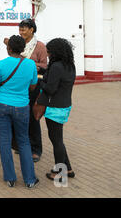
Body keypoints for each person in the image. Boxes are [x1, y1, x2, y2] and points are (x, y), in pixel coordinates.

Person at [0, 35, 40, 188]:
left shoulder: (1, 64)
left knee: (5, 140)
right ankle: (30, 179)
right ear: (23, 49)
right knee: (23, 141)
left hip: (2, 105)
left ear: (8, 48)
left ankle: (10, 178)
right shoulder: (31, 65)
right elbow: (33, 87)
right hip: (21, 106)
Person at [5, 18, 47, 162]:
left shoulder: (40, 46)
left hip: (34, 85)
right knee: (20, 116)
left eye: (24, 29)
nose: (21, 32)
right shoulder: (19, 44)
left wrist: (34, 65)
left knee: (32, 117)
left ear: (32, 30)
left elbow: (44, 65)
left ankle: (36, 149)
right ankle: (22, 145)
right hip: (21, 84)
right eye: (20, 29)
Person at [37, 38, 76, 181]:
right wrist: (42, 70)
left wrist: (39, 79)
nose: (47, 54)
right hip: (65, 105)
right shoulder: (69, 65)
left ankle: (59, 172)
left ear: (55, 52)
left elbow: (50, 88)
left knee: (56, 141)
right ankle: (68, 169)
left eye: (49, 52)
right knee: (58, 139)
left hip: (55, 107)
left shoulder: (56, 66)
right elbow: (56, 79)